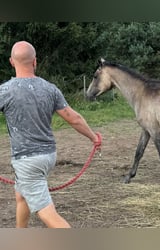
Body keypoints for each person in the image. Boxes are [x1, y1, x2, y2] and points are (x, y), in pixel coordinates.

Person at [0, 41, 101, 228]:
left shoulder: (5, 91)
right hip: (48, 156)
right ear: (35, 61)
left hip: (27, 161)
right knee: (21, 195)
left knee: (48, 214)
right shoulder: (50, 88)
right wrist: (93, 138)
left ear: (11, 62)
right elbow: (74, 118)